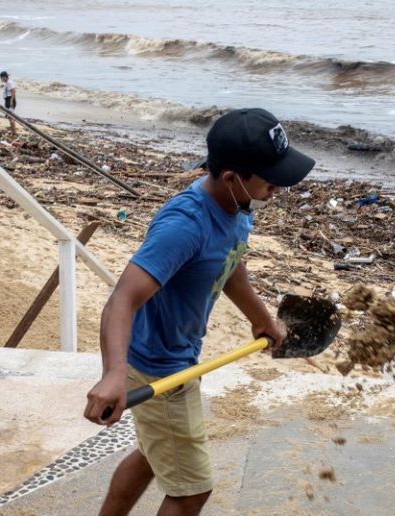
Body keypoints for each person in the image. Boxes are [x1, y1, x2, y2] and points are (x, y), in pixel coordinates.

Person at [84, 108, 315, 515]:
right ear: (231, 177)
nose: (278, 185)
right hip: (161, 367)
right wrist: (114, 374)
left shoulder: (236, 207)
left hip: (175, 354)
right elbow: (122, 299)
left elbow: (230, 266)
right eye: (270, 176)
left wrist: (260, 318)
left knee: (152, 456)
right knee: (192, 490)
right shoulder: (186, 225)